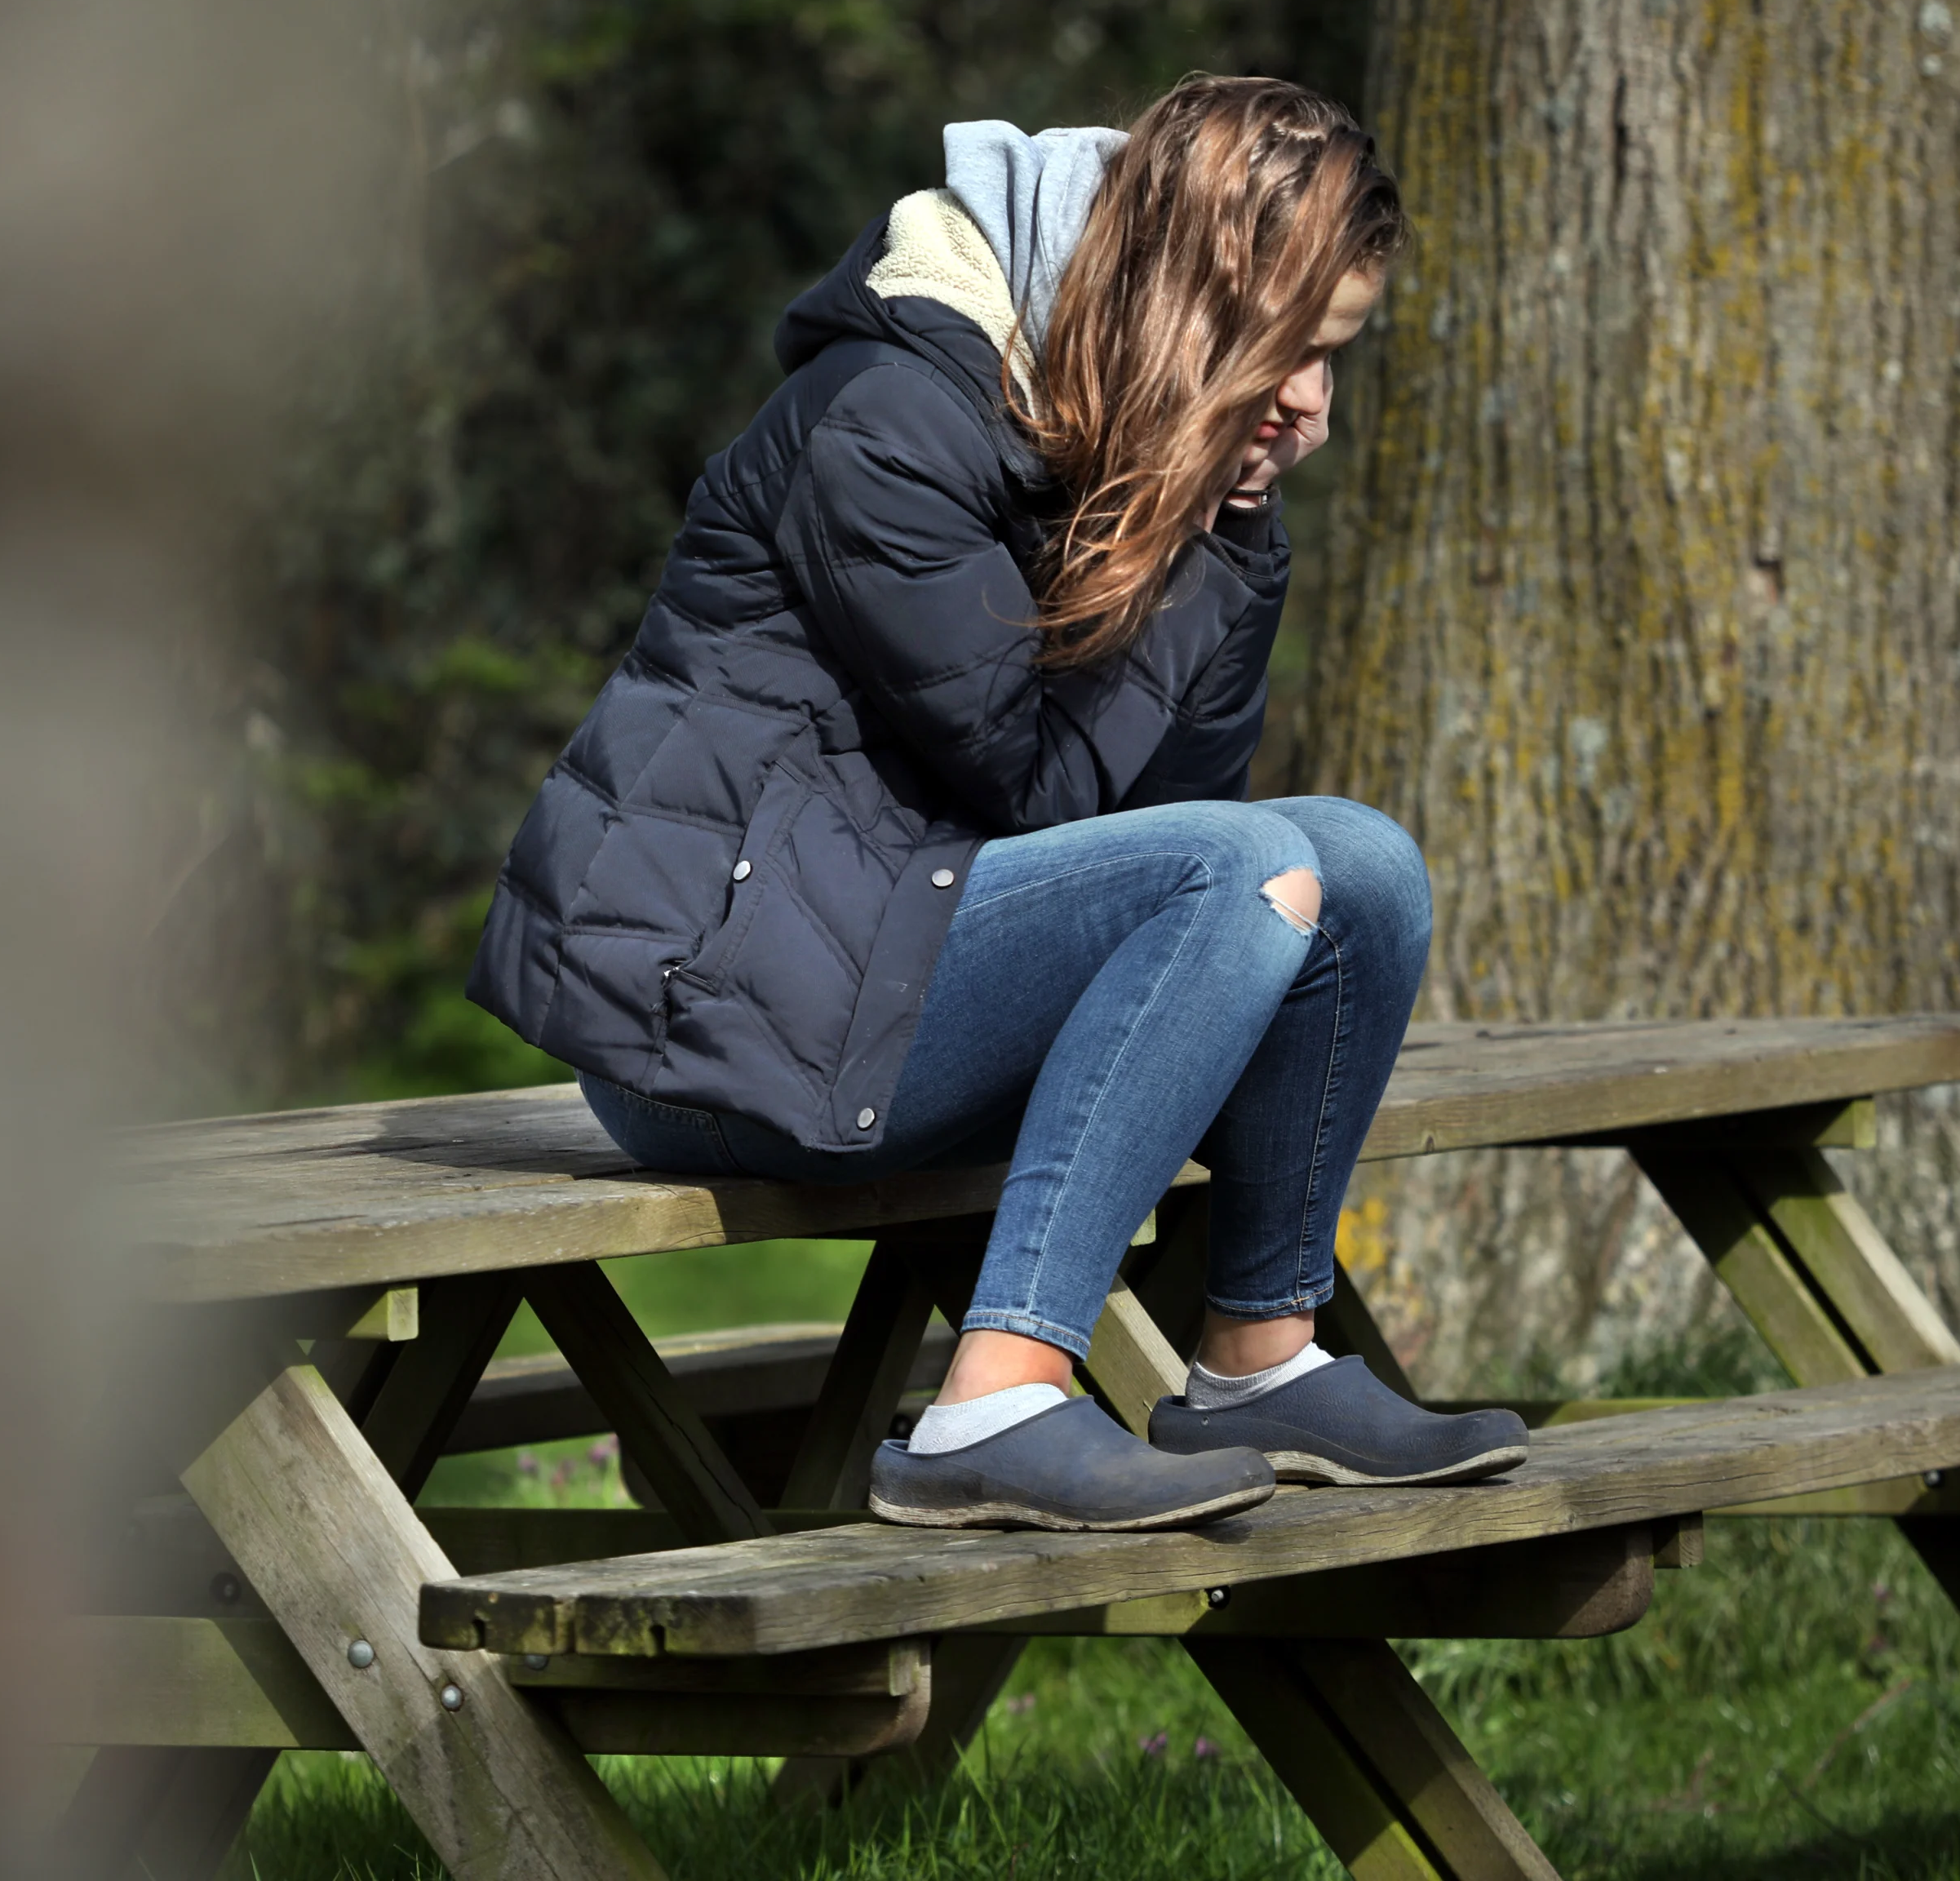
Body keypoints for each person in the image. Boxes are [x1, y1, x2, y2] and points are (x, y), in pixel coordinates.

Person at [469, 75, 1528, 1531]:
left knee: (1361, 867)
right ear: (1175, 299)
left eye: (1334, 358)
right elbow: (1037, 795)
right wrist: (1197, 559)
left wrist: (1219, 545)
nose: (1307, 405)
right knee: (1254, 867)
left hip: (897, 975)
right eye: (1285, 351)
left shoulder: (1186, 483)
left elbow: (1174, 821)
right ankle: (995, 1404)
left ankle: (1259, 1357)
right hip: (706, 1023)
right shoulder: (891, 421)